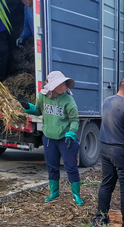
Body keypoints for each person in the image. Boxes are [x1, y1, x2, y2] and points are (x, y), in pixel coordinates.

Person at [17, 71, 83, 205]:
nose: (63, 86)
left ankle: (76, 195)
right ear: (51, 85)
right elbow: (38, 111)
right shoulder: (43, 97)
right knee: (52, 166)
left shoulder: (68, 100)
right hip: (49, 139)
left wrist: (71, 132)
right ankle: (54, 192)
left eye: (64, 83)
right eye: (59, 84)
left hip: (66, 139)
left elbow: (75, 119)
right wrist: (27, 107)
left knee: (70, 167)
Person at [93, 76, 124, 227]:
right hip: (122, 151)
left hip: (105, 148)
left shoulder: (107, 101)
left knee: (107, 184)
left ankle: (100, 218)